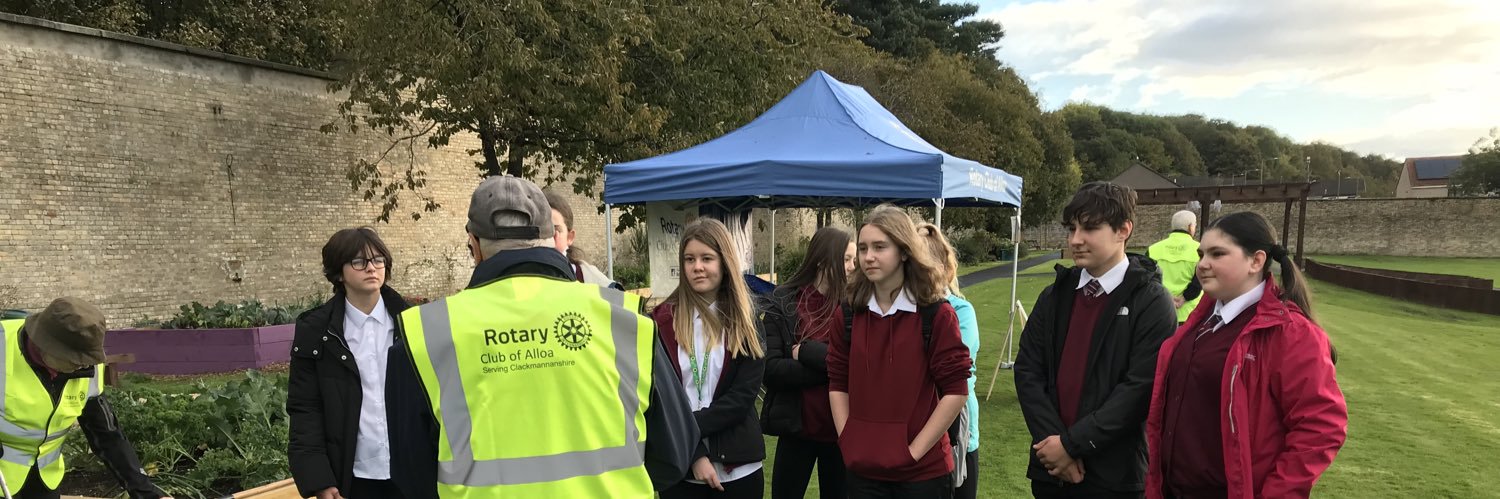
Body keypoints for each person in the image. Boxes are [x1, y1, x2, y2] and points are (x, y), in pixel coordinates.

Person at [399, 175, 698, 498]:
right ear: (550, 236)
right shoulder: (623, 319)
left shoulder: (427, 334)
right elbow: (675, 454)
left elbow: (412, 476)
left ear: (474, 244)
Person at [1145, 212, 1347, 499]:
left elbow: (1321, 427)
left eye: (1217, 254)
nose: (1202, 264)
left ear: (1256, 261)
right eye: (1202, 254)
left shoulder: (1289, 332)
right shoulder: (1199, 324)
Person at [1013, 182, 1177, 499]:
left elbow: (1139, 389)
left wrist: (1072, 445)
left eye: (1089, 228)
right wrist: (1055, 445)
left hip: (1114, 477)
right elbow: (1028, 370)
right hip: (1052, 474)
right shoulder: (1054, 296)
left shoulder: (1151, 301)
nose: (1075, 239)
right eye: (1072, 228)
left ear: (1123, 230)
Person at [828, 205, 971, 499]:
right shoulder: (848, 314)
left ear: (905, 252)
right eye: (863, 248)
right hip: (863, 473)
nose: (868, 257)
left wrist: (912, 453)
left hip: (923, 475)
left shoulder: (936, 314)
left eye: (880, 247)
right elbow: (837, 382)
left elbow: (956, 391)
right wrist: (847, 439)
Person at [288, 227, 437, 499]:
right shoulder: (316, 332)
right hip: (354, 477)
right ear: (338, 272)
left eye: (378, 260)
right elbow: (305, 409)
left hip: (414, 472)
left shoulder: (415, 323)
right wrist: (318, 478)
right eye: (359, 261)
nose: (371, 268)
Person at [0, 298, 169, 499]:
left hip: (44, 479)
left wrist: (146, 493)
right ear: (45, 346)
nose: (83, 367)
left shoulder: (88, 365)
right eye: (74, 360)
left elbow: (107, 436)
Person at [652, 218, 767, 499]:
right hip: (681, 470)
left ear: (724, 262)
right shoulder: (661, 322)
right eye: (689, 259)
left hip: (738, 470)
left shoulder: (746, 322)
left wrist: (687, 427)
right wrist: (694, 453)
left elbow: (741, 398)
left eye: (707, 258)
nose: (697, 267)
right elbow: (658, 398)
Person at [761, 226, 857, 499]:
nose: (853, 266)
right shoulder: (783, 302)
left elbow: (858, 365)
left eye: (854, 259)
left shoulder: (854, 306)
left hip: (841, 430)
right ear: (823, 260)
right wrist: (833, 368)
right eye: (847, 259)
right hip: (796, 428)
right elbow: (771, 369)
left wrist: (805, 352)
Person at [916, 223, 982, 499]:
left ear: (942, 269)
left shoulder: (960, 310)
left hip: (956, 431)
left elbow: (949, 372)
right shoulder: (901, 310)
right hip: (913, 428)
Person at [543, 188, 623, 290]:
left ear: (569, 237)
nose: (547, 240)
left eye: (554, 231)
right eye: (539, 231)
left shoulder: (596, 284)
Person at [1147, 210, 1203, 324]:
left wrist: (1166, 298)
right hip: (1190, 313)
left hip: (1160, 311)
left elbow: (1147, 280)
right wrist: (1184, 298)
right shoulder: (1200, 249)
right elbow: (1200, 280)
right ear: (1190, 227)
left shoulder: (1153, 249)